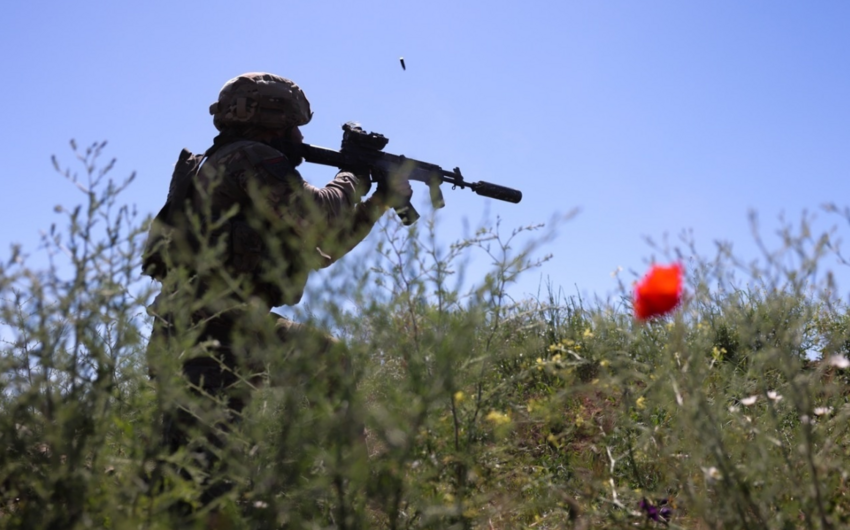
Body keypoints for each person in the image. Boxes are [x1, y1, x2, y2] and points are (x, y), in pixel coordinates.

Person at [142, 72, 409, 515]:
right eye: (293, 124)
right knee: (195, 493)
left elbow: (320, 247)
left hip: (210, 329)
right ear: (269, 118)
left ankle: (351, 499)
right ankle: (354, 499)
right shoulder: (250, 155)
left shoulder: (231, 165)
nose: (300, 136)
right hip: (211, 334)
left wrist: (378, 202)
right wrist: (354, 174)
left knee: (194, 484)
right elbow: (318, 213)